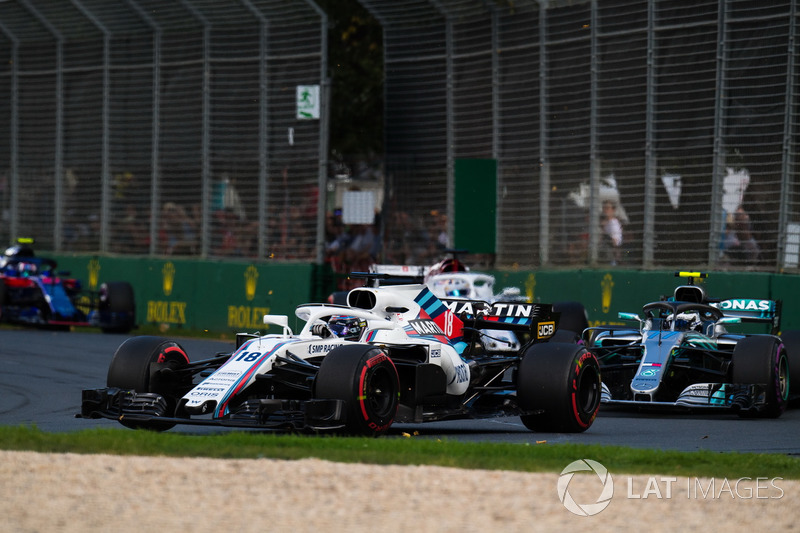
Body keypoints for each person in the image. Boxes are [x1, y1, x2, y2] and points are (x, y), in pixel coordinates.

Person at [600, 200, 623, 265]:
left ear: (613, 210)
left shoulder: (613, 223)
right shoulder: (606, 222)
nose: (605, 210)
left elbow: (616, 242)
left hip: (611, 256)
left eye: (607, 208)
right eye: (603, 208)